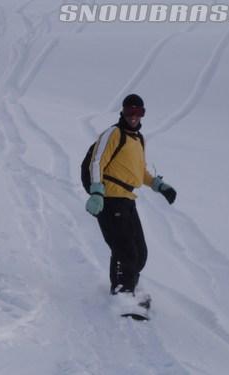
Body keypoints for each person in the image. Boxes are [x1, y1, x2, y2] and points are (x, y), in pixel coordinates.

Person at [85, 94, 177, 296]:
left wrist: (160, 186)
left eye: (139, 112)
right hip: (109, 200)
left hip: (127, 200)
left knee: (140, 254)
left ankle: (128, 290)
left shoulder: (138, 139)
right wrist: (97, 193)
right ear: (123, 112)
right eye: (130, 111)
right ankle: (122, 295)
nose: (134, 116)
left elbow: (139, 171)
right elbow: (96, 163)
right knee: (125, 251)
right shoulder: (114, 134)